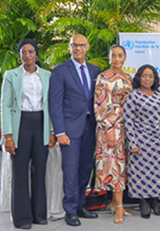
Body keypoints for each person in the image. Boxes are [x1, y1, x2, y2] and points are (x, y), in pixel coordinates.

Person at [1, 39, 54, 229]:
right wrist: (8, 135)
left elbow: (51, 105)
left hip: (41, 123)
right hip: (20, 125)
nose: (28, 55)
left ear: (36, 54)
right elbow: (5, 105)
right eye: (24, 52)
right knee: (20, 172)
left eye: (31, 52)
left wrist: (51, 131)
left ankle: (39, 214)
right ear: (20, 55)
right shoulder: (11, 75)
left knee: (40, 171)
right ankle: (22, 218)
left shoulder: (47, 76)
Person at [49, 34, 101, 227]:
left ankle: (80, 204)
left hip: (91, 127)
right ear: (69, 47)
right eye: (74, 45)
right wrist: (60, 131)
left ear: (87, 47)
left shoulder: (95, 70)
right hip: (70, 130)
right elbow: (55, 103)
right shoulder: (61, 71)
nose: (78, 48)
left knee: (85, 169)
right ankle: (70, 210)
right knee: (70, 169)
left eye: (81, 45)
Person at [123, 65, 160, 219]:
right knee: (141, 173)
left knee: (157, 172)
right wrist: (133, 143)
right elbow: (128, 121)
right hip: (141, 140)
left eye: (151, 76)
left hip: (158, 140)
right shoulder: (133, 96)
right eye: (144, 76)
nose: (147, 79)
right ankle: (143, 201)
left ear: (155, 79)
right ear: (139, 77)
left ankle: (155, 201)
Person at [93, 45, 133, 224]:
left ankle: (117, 203)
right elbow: (101, 104)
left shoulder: (128, 77)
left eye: (120, 55)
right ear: (109, 58)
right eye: (113, 56)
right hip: (110, 127)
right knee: (114, 167)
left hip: (125, 127)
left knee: (122, 167)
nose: (117, 59)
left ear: (125, 57)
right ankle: (118, 207)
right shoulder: (103, 77)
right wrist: (109, 129)